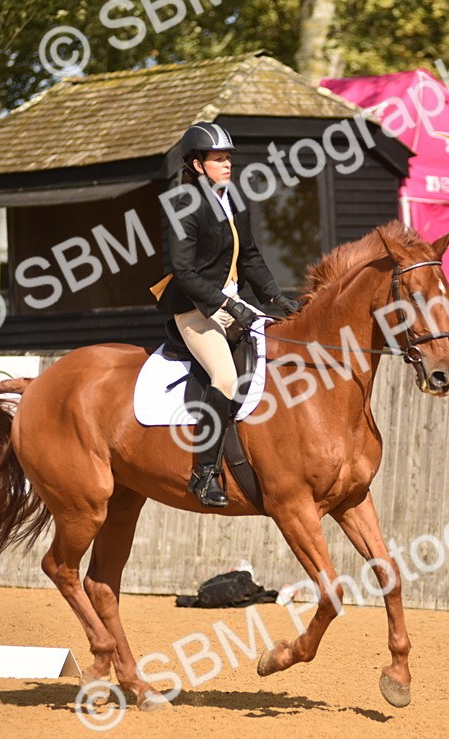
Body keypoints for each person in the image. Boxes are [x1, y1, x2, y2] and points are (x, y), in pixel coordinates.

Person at [154, 122, 300, 508]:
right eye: (218, 158)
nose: (227, 164)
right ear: (197, 164)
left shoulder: (232, 198)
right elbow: (184, 271)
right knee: (225, 377)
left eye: (228, 157)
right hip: (195, 309)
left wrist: (276, 297)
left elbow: (249, 255)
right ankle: (203, 474)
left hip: (233, 304)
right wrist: (227, 304)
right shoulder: (184, 204)